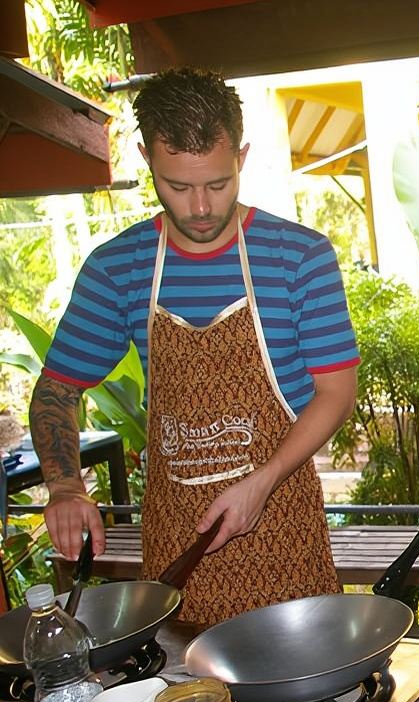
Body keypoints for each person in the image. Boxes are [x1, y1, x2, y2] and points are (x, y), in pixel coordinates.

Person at [31, 68, 359, 625]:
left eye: (218, 183)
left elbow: (336, 394)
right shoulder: (118, 269)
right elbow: (56, 390)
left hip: (284, 532)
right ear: (146, 159)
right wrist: (65, 485)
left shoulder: (299, 257)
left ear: (242, 157)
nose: (201, 208)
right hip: (176, 546)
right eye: (178, 187)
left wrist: (263, 481)